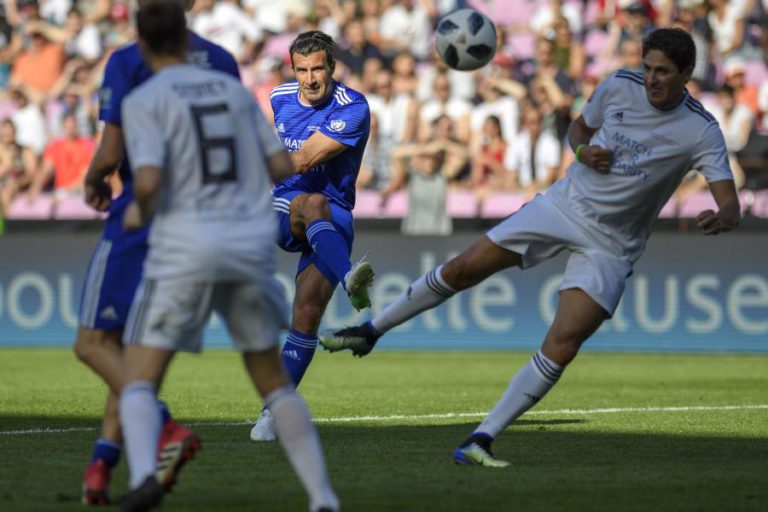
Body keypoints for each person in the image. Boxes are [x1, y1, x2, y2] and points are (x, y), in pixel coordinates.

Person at [319, 28, 741, 467]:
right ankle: (371, 331)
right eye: (649, 68)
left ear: (688, 74)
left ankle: (481, 439)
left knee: (564, 341)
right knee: (466, 267)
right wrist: (581, 151)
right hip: (563, 205)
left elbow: (729, 202)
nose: (652, 79)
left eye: (664, 73)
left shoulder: (700, 129)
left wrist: (724, 216)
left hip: (612, 245)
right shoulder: (620, 84)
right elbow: (579, 127)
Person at [117, 4, 339, 512]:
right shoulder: (233, 94)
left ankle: (145, 478)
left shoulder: (145, 98)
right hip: (242, 241)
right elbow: (279, 163)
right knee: (273, 382)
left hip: (186, 244)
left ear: (145, 45)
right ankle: (323, 497)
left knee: (140, 374)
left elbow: (147, 185)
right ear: (188, 38)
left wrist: (135, 216)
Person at [75, 0, 241, 505]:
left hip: (143, 218)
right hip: (201, 225)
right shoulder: (221, 61)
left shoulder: (129, 61)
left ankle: (165, 427)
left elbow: (110, 150)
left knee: (93, 343)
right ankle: (104, 465)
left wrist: (93, 179)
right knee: (130, 354)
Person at [249, 30, 374, 442]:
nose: (309, 78)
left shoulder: (353, 107)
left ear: (332, 67)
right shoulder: (280, 96)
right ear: (293, 69)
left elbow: (303, 158)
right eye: (301, 69)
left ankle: (272, 415)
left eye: (317, 68)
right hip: (285, 206)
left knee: (305, 316)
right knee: (310, 203)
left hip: (335, 214)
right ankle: (349, 278)